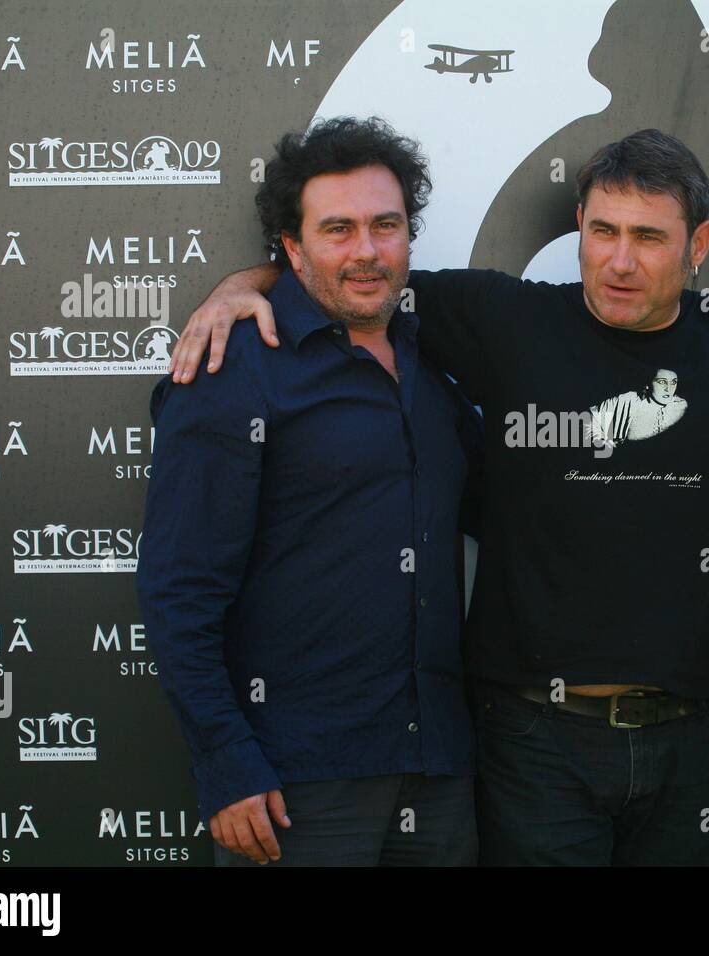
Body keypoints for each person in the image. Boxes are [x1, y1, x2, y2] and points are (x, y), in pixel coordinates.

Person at [168, 128, 709, 866]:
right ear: (578, 224)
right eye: (602, 230)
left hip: (694, 740)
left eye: (649, 237)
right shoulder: (499, 318)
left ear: (700, 244)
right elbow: (356, 274)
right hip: (532, 740)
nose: (619, 259)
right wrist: (245, 286)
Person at [136, 117, 482, 867]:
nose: (366, 250)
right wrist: (226, 763)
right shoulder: (234, 369)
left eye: (385, 225)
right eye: (338, 229)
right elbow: (177, 590)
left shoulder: (433, 369)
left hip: (439, 771)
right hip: (295, 785)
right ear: (291, 249)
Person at [587, 367, 687, 452]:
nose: (668, 389)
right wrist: (601, 440)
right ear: (648, 384)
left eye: (673, 382)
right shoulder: (628, 400)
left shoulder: (680, 406)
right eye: (662, 382)